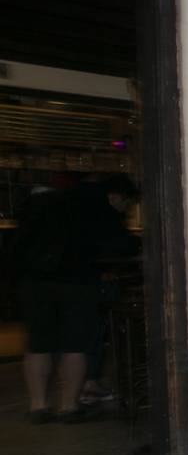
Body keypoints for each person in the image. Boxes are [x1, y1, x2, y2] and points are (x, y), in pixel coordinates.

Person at [15, 174, 141, 423]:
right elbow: (118, 245)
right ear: (115, 196)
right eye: (125, 204)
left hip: (34, 281)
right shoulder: (99, 209)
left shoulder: (48, 201)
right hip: (77, 282)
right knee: (75, 345)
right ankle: (69, 407)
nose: (124, 209)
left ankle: (38, 407)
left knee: (38, 345)